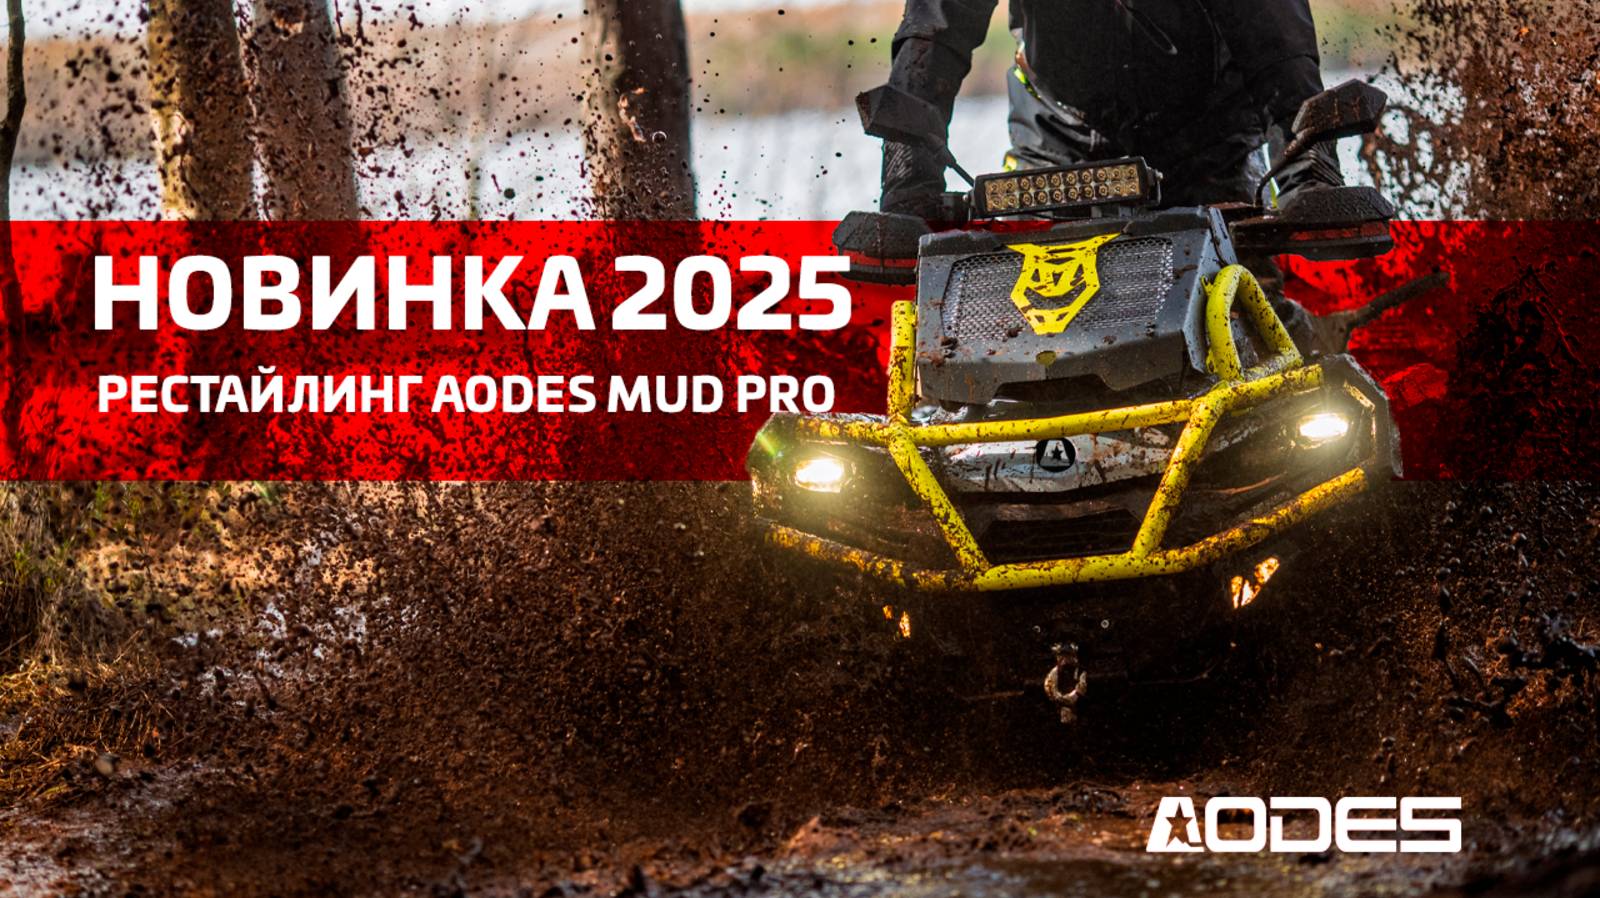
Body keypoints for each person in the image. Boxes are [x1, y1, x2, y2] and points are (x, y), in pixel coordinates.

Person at [878, 0, 1345, 220]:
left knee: (1250, 323)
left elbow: (1279, 42)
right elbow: (934, 30)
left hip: (1209, 150)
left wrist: (1309, 170)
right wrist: (908, 179)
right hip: (1053, 151)